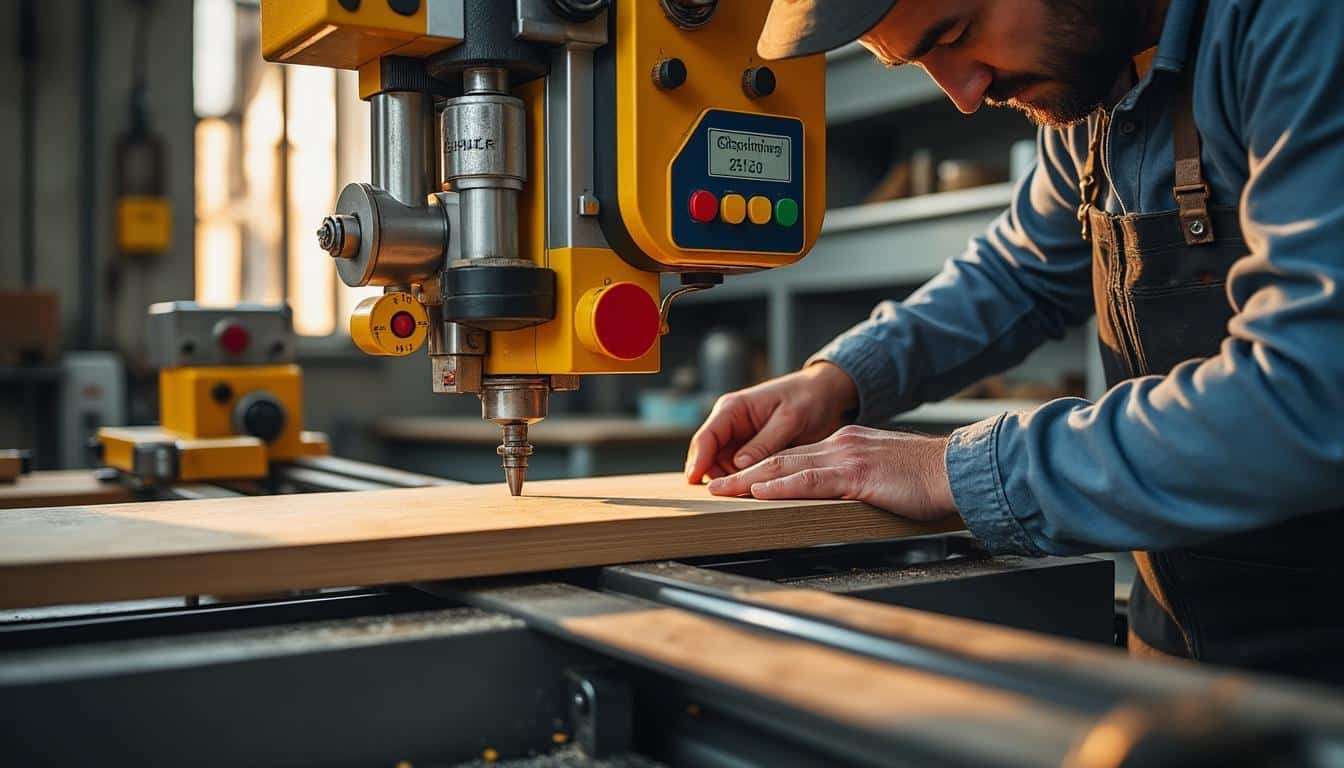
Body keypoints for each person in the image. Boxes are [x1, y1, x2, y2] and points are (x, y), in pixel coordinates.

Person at [686, 0, 1344, 683]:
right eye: (918, 61)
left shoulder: (1297, 24)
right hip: (1186, 642)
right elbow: (1020, 273)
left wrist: (956, 469)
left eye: (957, 34)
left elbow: (1313, 392)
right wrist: (838, 379)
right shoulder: (1093, 77)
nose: (964, 95)